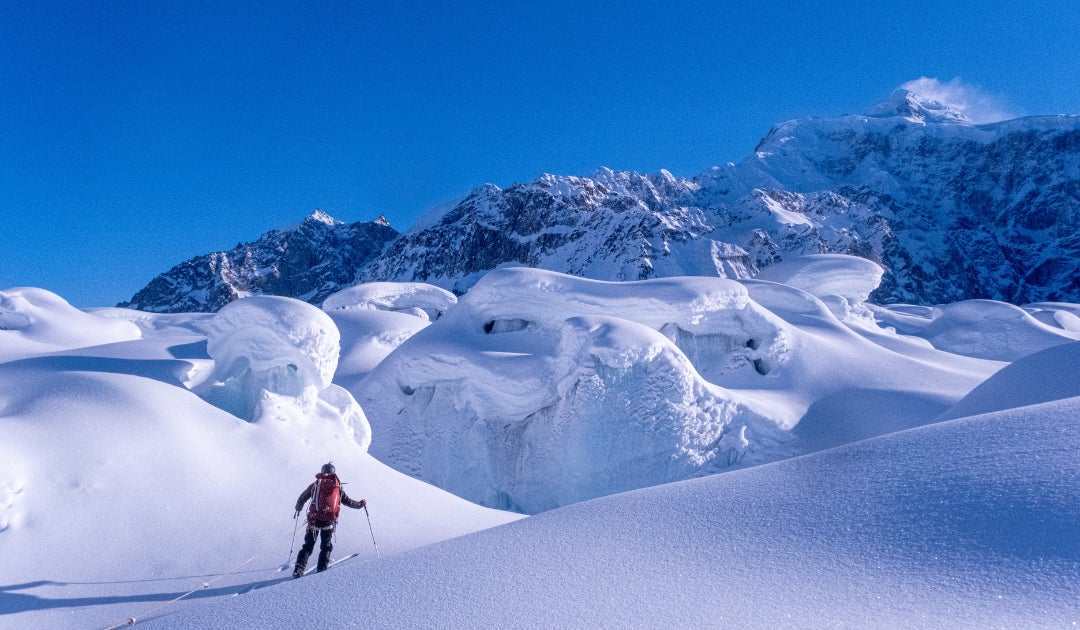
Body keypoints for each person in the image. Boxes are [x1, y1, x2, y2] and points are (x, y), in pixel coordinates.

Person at [292, 462, 366, 577]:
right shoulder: (337, 488)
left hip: (314, 521)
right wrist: (361, 504)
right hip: (328, 522)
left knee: (308, 546)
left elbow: (303, 497)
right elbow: (349, 502)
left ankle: (298, 569)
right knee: (326, 547)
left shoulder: (316, 485)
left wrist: (298, 507)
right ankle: (322, 570)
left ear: (322, 472)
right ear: (333, 473)